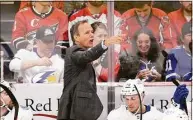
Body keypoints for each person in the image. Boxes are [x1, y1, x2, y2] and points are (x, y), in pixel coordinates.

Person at [57, 20, 124, 120]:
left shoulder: (82, 53)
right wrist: (105, 43)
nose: (91, 35)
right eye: (87, 33)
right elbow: (86, 56)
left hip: (79, 110)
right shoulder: (73, 51)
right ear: (76, 37)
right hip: (75, 111)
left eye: (92, 32)